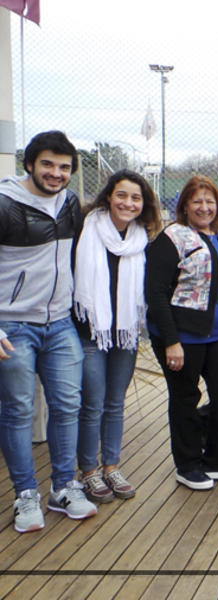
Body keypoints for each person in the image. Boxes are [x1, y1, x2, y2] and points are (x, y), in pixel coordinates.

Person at [0, 130, 98, 532]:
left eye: (63, 167)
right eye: (47, 165)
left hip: (59, 324)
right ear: (29, 164)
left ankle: (63, 487)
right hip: (12, 325)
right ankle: (25, 495)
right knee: (19, 411)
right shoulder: (5, 203)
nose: (56, 174)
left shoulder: (70, 202)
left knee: (66, 407)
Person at [145, 175, 218, 490]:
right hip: (182, 336)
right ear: (185, 206)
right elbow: (156, 293)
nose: (204, 208)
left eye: (210, 202)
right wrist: (171, 340)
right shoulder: (171, 237)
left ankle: (216, 458)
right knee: (185, 397)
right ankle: (188, 464)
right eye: (197, 202)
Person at [74, 170, 162, 504]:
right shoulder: (86, 229)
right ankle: (88, 471)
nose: (128, 203)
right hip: (90, 333)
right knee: (92, 402)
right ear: (109, 196)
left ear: (144, 204)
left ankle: (111, 466)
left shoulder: (143, 240)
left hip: (125, 334)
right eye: (122, 195)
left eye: (136, 198)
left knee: (115, 403)